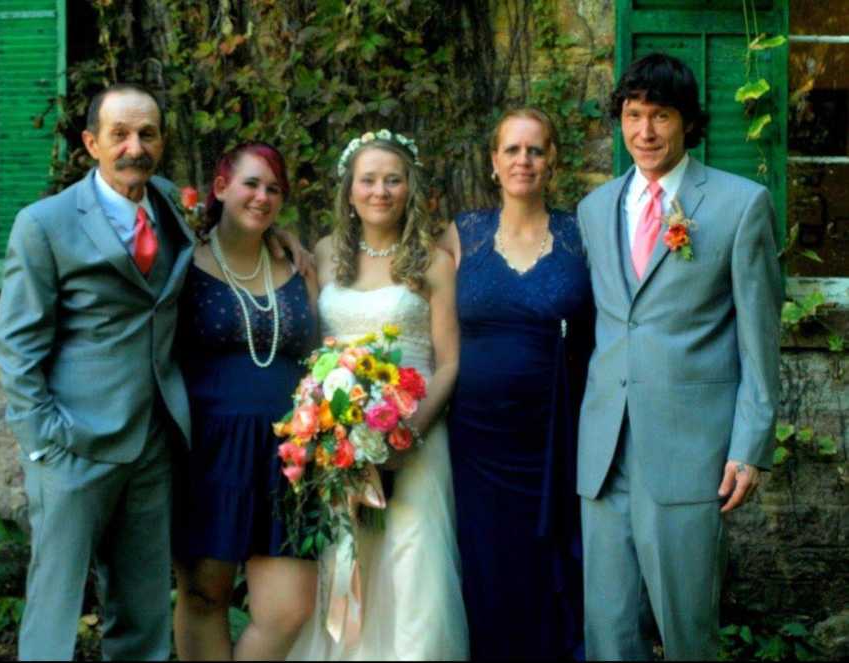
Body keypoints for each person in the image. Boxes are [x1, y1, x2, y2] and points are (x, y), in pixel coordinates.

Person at [577, 53, 782, 660]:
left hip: (689, 451)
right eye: (634, 115)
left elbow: (760, 338)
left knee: (686, 631)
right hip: (603, 450)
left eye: (660, 116)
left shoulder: (739, 204)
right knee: (608, 630)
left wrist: (751, 444)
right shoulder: (595, 209)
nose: (645, 132)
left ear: (687, 123)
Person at [0, 83, 194, 660]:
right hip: (72, 443)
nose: (136, 146)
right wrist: (43, 443)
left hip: (152, 439)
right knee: (55, 612)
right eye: (120, 134)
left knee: (145, 607)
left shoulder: (168, 205)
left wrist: (282, 239)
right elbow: (16, 343)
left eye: (148, 133)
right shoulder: (44, 223)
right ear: (91, 143)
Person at [287, 129, 468, 660]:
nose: (380, 191)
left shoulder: (433, 263)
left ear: (410, 189)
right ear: (349, 190)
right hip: (340, 447)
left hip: (417, 440)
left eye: (393, 180)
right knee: (349, 565)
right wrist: (326, 424)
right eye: (368, 180)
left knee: (413, 572)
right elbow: (309, 347)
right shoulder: (322, 254)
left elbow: (450, 361)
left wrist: (408, 433)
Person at [438, 108, 592, 660]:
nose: (523, 160)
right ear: (493, 163)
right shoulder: (463, 234)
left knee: (552, 562)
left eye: (535, 150)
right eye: (512, 150)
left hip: (554, 434)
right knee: (486, 564)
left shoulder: (581, 235)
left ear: (552, 161)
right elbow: (393, 271)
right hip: (477, 441)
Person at [171, 142, 319, 660]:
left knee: (289, 609)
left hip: (289, 459)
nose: (262, 196)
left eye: (274, 188)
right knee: (203, 596)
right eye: (251, 184)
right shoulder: (182, 264)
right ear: (220, 188)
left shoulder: (299, 266)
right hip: (210, 455)